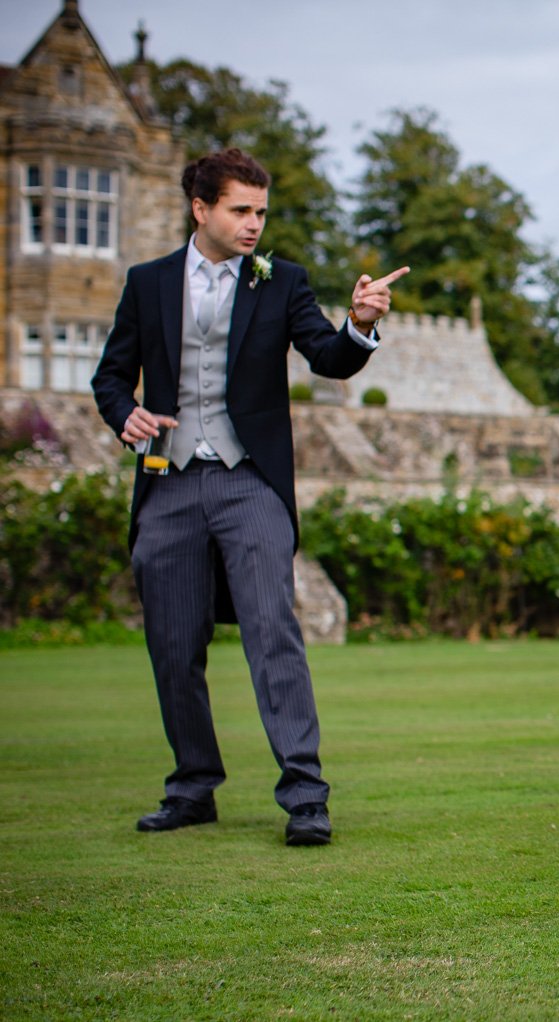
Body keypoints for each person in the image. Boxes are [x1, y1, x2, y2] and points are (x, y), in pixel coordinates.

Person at [91, 148, 409, 846]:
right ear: (200, 209)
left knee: (274, 635)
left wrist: (358, 323)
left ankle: (305, 797)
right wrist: (126, 416)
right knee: (174, 646)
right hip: (167, 482)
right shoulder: (147, 285)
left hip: (250, 482)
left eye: (261, 211)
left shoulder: (281, 281)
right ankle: (192, 788)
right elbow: (111, 377)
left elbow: (328, 357)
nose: (253, 225)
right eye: (240, 210)